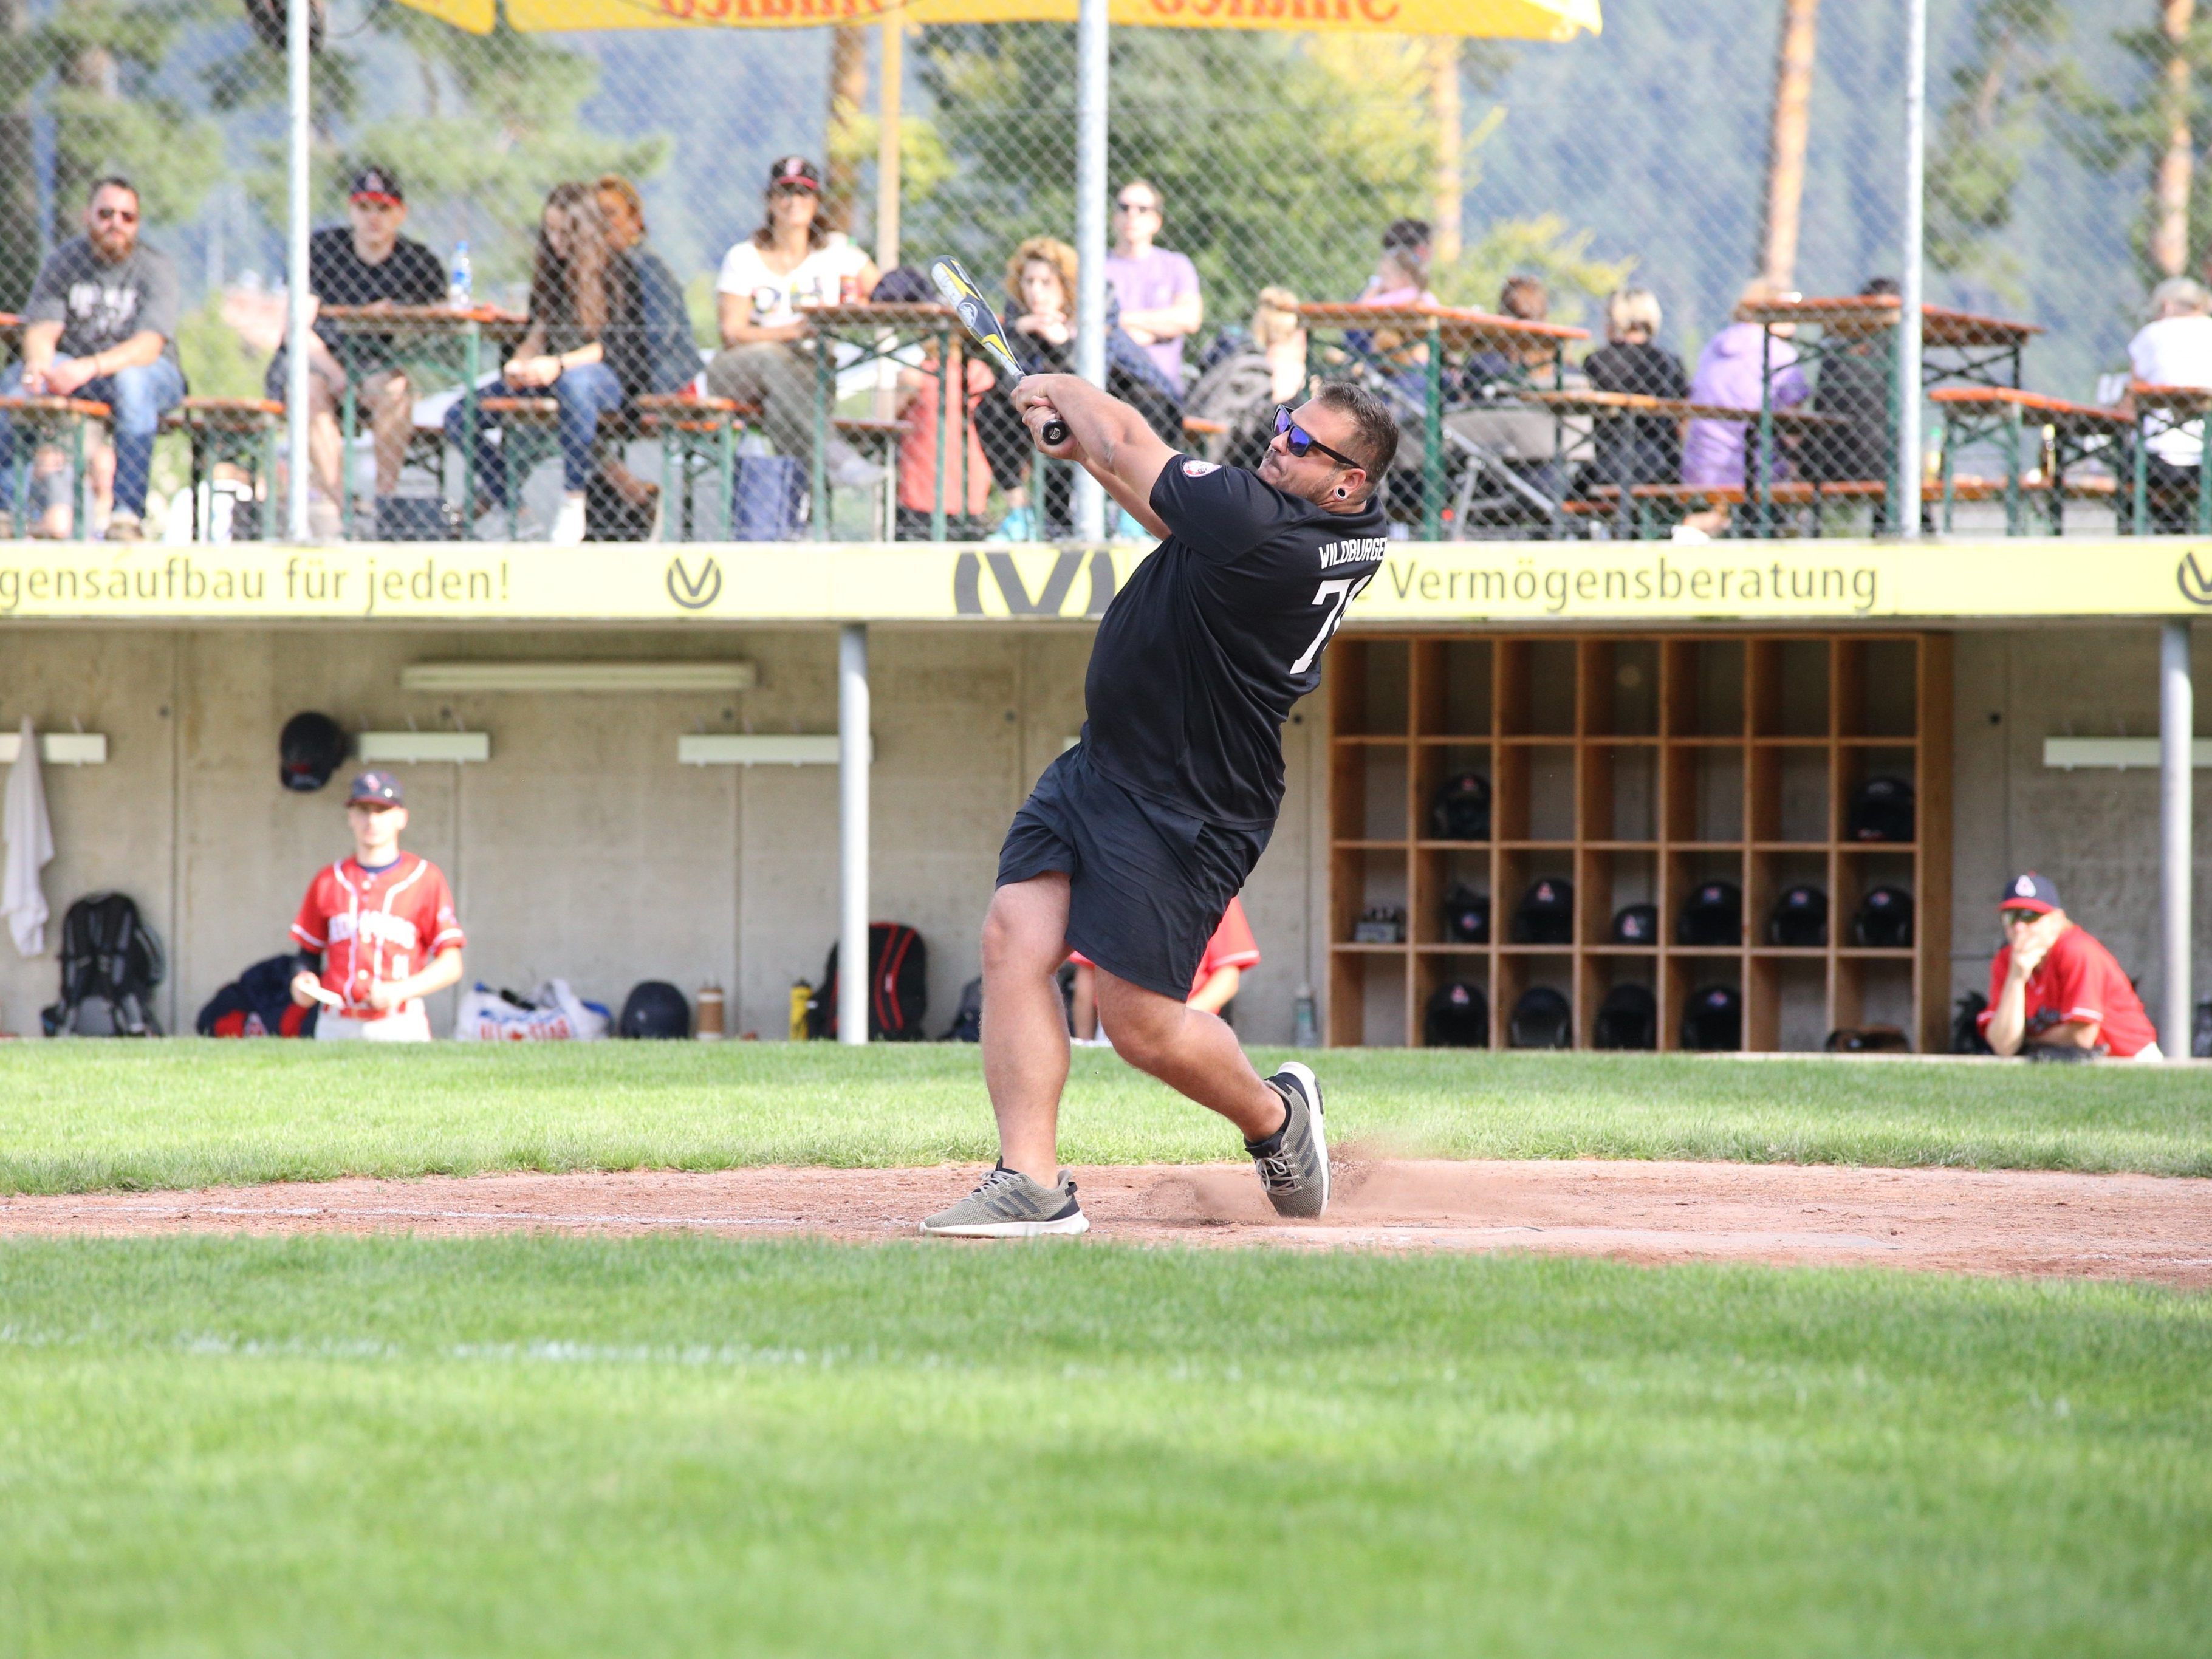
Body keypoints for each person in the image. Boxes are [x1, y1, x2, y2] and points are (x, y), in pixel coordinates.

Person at [919, 377, 1396, 1238]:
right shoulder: (1329, 528)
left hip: (1191, 799)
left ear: (1348, 480)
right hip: (1106, 761)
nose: (1279, 443)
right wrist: (1091, 460)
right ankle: (1029, 1180)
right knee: (1011, 934)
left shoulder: (1259, 520)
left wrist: (1059, 387)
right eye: (1286, 426)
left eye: (1305, 445)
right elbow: (1173, 516)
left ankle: (1275, 1119)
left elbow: (1126, 437)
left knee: (1137, 1023)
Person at [443, 183, 634, 544]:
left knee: (574, 385)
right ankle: (515, 512)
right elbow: (539, 329)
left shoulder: (617, 269)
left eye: (566, 232)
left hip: (601, 377)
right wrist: (520, 363)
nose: (556, 240)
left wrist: (559, 365)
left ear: (585, 230)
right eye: (550, 230)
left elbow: (614, 346)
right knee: (459, 416)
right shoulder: (551, 271)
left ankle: (573, 499)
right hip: (551, 371)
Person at [264, 165, 447, 538]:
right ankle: (343, 509)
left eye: (383, 208)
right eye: (364, 208)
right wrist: (337, 375)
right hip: (314, 362)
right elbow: (298, 330)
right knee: (310, 391)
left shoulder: (418, 262)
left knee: (395, 389)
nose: (373, 219)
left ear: (400, 213)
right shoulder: (324, 250)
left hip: (370, 364)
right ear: (351, 210)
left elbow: (440, 321)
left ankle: (384, 504)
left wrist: (398, 316)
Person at [0, 176, 183, 542]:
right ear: (88, 216)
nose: (116, 223)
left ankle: (126, 515)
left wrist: (89, 366)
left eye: (127, 216)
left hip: (148, 374)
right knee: (16, 380)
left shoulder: (155, 268)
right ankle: (5, 510)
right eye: (106, 213)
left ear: (138, 222)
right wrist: (38, 364)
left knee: (133, 382)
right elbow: (41, 330)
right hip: (77, 370)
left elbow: (148, 346)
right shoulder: (65, 262)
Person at [974, 237, 1182, 538]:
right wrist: (1020, 332)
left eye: (1046, 282)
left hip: (1129, 398)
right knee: (991, 409)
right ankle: (1021, 516)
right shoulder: (1022, 318)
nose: (1035, 292)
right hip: (1059, 411)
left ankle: (1137, 516)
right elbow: (1010, 385)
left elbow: (1095, 378)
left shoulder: (1099, 300)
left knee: (1139, 404)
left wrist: (1064, 343)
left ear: (1066, 284)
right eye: (1029, 282)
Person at [705, 156, 880, 489]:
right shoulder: (743, 256)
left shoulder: (836, 250)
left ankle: (804, 513)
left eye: (803, 193)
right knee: (774, 358)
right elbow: (732, 332)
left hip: (809, 370)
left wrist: (858, 303)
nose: (793, 202)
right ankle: (834, 453)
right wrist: (792, 331)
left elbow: (885, 291)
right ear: (770, 201)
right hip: (742, 367)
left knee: (783, 409)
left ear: (816, 202)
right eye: (784, 192)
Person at [288, 771, 465, 1043]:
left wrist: (401, 990)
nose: (372, 820)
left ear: (401, 818)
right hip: (336, 1022)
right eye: (363, 810)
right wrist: (302, 979)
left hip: (399, 1022)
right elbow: (308, 953)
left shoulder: (425, 878)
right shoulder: (329, 879)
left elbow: (451, 964)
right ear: (350, 816)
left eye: (382, 810)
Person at [1976, 873, 2160, 1061]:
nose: (2019, 927)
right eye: (2011, 917)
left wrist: (2025, 1041)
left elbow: (2081, 1038)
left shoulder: (2077, 951)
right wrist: (2016, 979)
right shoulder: (2007, 960)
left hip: (2130, 1058)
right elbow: (2003, 1046)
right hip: (2068, 1062)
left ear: (2057, 920)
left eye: (2030, 916)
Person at [873, 265, 996, 540]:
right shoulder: (919, 373)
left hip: (964, 496)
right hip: (923, 497)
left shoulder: (976, 374)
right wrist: (904, 389)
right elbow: (882, 419)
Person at [1070, 894, 1261, 1044]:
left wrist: (1183, 1017)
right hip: (1118, 1020)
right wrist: (1085, 1043)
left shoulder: (1213, 885)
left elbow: (1227, 977)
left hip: (1190, 1019)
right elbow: (1087, 975)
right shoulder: (1113, 885)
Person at [1682, 276, 1809, 491]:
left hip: (1698, 468)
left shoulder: (1715, 345)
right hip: (1757, 472)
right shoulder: (1781, 354)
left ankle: (1709, 520)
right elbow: (1792, 431)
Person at [1182, 286, 1308, 469]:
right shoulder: (1278, 369)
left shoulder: (1245, 358)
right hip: (1246, 460)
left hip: (1226, 454)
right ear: (1299, 335)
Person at [2124, 276, 2212, 534]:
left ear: (2166, 306)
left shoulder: (2152, 334)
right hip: (2207, 455)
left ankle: (2158, 533)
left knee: (2123, 456)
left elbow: (2131, 400)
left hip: (2156, 458)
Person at [1580, 285, 1690, 490]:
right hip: (1660, 464)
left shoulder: (1596, 361)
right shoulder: (1669, 362)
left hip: (1603, 464)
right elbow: (1682, 422)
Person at [1103, 178, 1204, 394]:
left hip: (1160, 392)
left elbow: (1189, 319)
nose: (1132, 214)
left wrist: (1118, 322)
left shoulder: (1176, 265)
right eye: (1124, 207)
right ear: (1114, 217)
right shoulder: (1096, 267)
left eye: (1142, 209)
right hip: (1106, 385)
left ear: (1157, 221)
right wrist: (1158, 330)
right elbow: (1084, 323)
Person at [1806, 276, 1900, 490]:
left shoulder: (1836, 347)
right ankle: (1912, 522)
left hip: (1822, 463)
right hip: (1883, 463)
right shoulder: (1896, 349)